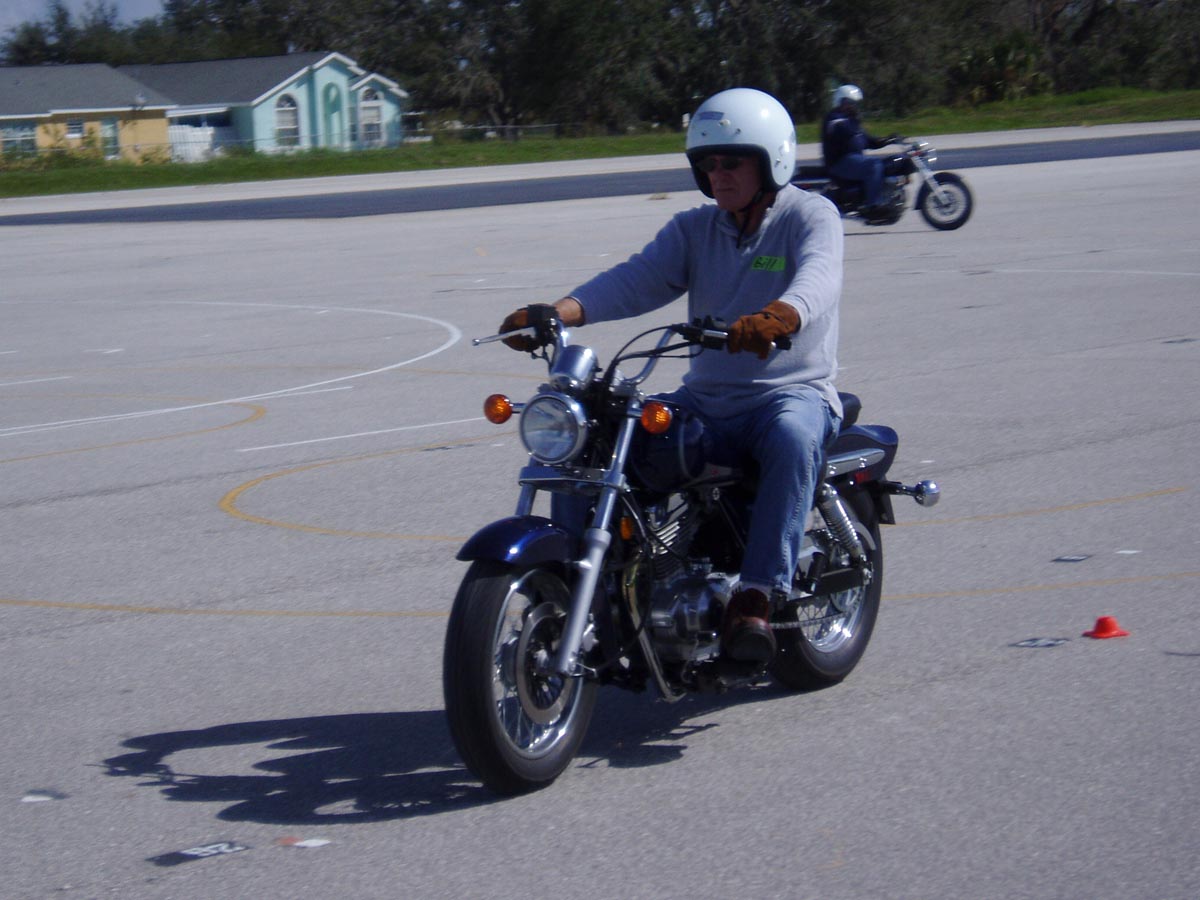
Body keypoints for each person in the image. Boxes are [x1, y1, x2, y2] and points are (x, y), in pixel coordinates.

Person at [498, 87, 843, 666]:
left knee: (792, 436)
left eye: (732, 161)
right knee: (603, 440)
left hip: (790, 393)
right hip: (706, 400)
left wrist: (783, 315)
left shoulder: (810, 216)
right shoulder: (694, 230)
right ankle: (596, 583)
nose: (718, 174)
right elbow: (636, 279)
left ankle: (757, 596)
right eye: (708, 163)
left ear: (773, 161)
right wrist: (556, 314)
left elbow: (820, 277)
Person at [821, 84, 899, 218]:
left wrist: (888, 140)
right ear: (841, 101)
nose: (853, 106)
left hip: (853, 159)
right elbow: (845, 130)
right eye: (850, 103)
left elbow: (867, 140)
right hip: (839, 162)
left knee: (886, 164)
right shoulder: (834, 118)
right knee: (874, 165)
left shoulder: (849, 120)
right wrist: (855, 121)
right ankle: (873, 206)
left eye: (854, 104)